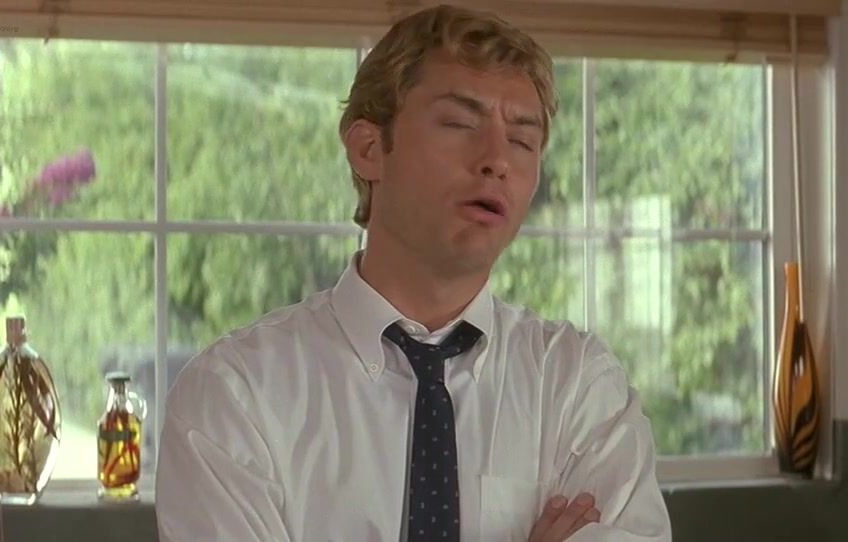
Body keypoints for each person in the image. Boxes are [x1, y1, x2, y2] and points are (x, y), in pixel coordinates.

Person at [154, 4, 672, 541]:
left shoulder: (578, 389)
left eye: (522, 140)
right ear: (369, 149)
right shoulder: (236, 398)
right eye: (460, 124)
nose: (497, 159)